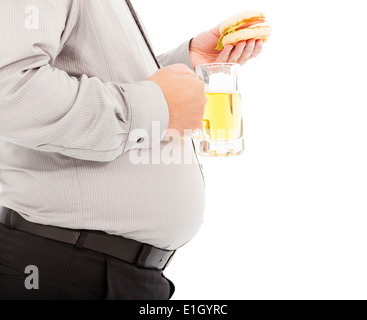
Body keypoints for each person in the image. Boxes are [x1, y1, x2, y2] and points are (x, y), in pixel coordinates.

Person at [0, 0, 263, 300]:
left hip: (110, 272)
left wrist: (186, 64)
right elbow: (9, 90)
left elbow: (101, 77)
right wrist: (158, 106)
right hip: (66, 271)